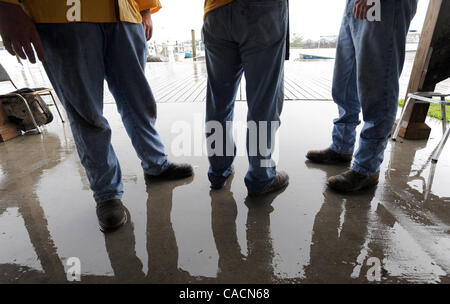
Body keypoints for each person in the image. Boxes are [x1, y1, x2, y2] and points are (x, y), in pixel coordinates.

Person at [0, 0, 193, 232]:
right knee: (86, 113)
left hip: (126, 12)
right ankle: (107, 193)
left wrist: (145, 7)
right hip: (63, 13)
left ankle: (156, 164)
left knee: (140, 103)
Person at [306, 0, 418, 192]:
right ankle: (342, 147)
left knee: (377, 85)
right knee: (344, 82)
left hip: (382, 5)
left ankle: (367, 167)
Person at [203, 0, 289, 196]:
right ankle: (261, 177)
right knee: (263, 102)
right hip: (263, 9)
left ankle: (218, 171)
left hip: (216, 10)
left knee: (219, 101)